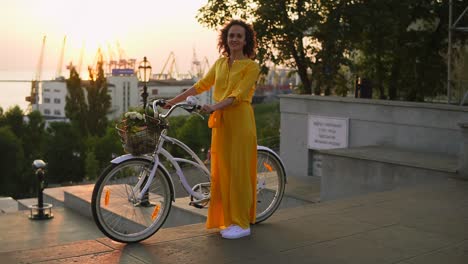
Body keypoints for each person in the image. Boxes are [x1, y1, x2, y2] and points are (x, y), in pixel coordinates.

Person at [165, 19, 260, 239]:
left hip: (240, 122)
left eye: (239, 36)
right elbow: (200, 86)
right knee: (223, 172)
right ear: (226, 40)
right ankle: (227, 218)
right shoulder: (219, 63)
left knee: (238, 173)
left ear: (246, 41)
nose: (234, 39)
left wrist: (213, 106)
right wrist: (171, 101)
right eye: (231, 36)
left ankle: (242, 223)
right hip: (221, 124)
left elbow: (238, 95)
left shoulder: (251, 66)